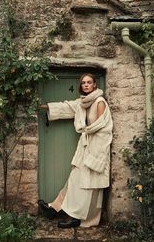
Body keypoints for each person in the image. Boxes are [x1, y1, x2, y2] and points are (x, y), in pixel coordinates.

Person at [38, 73, 113, 228]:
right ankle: (55, 208)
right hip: (85, 148)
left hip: (95, 150)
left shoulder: (99, 102)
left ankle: (79, 218)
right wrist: (43, 106)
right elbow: (67, 107)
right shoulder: (83, 103)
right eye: (83, 82)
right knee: (74, 180)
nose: (86, 85)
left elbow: (103, 130)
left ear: (94, 85)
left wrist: (95, 155)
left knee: (88, 186)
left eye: (89, 82)